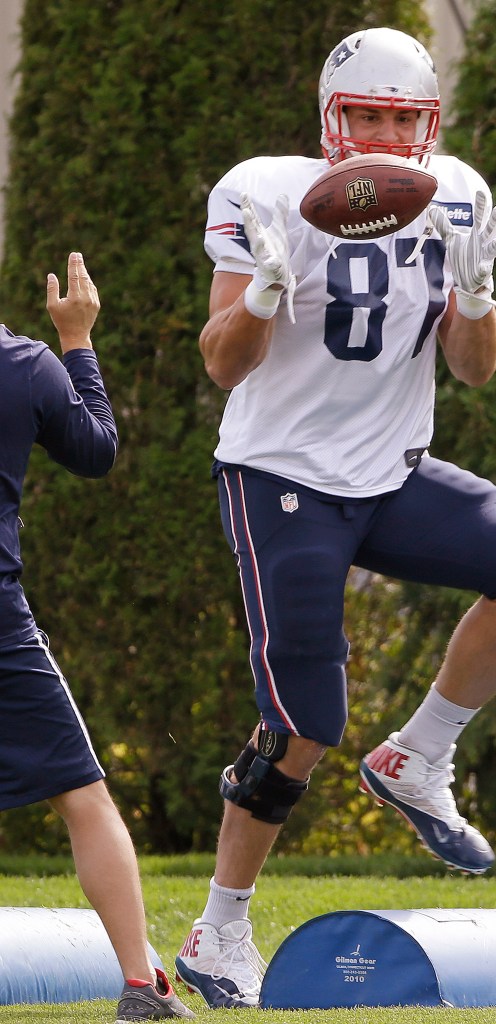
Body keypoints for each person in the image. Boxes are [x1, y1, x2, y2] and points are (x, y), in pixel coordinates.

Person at [174, 27, 496, 1009]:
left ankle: (419, 754)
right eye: (370, 116)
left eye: (407, 117)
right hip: (281, 474)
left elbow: (474, 368)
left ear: (429, 122)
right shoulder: (264, 189)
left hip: (391, 470)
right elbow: (224, 362)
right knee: (306, 721)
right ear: (330, 119)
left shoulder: (459, 193)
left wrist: (475, 296)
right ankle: (219, 929)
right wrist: (265, 289)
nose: (390, 137)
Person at [0, 252, 194, 1023]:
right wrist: (77, 339)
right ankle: (142, 988)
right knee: (83, 798)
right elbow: (95, 450)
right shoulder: (24, 364)